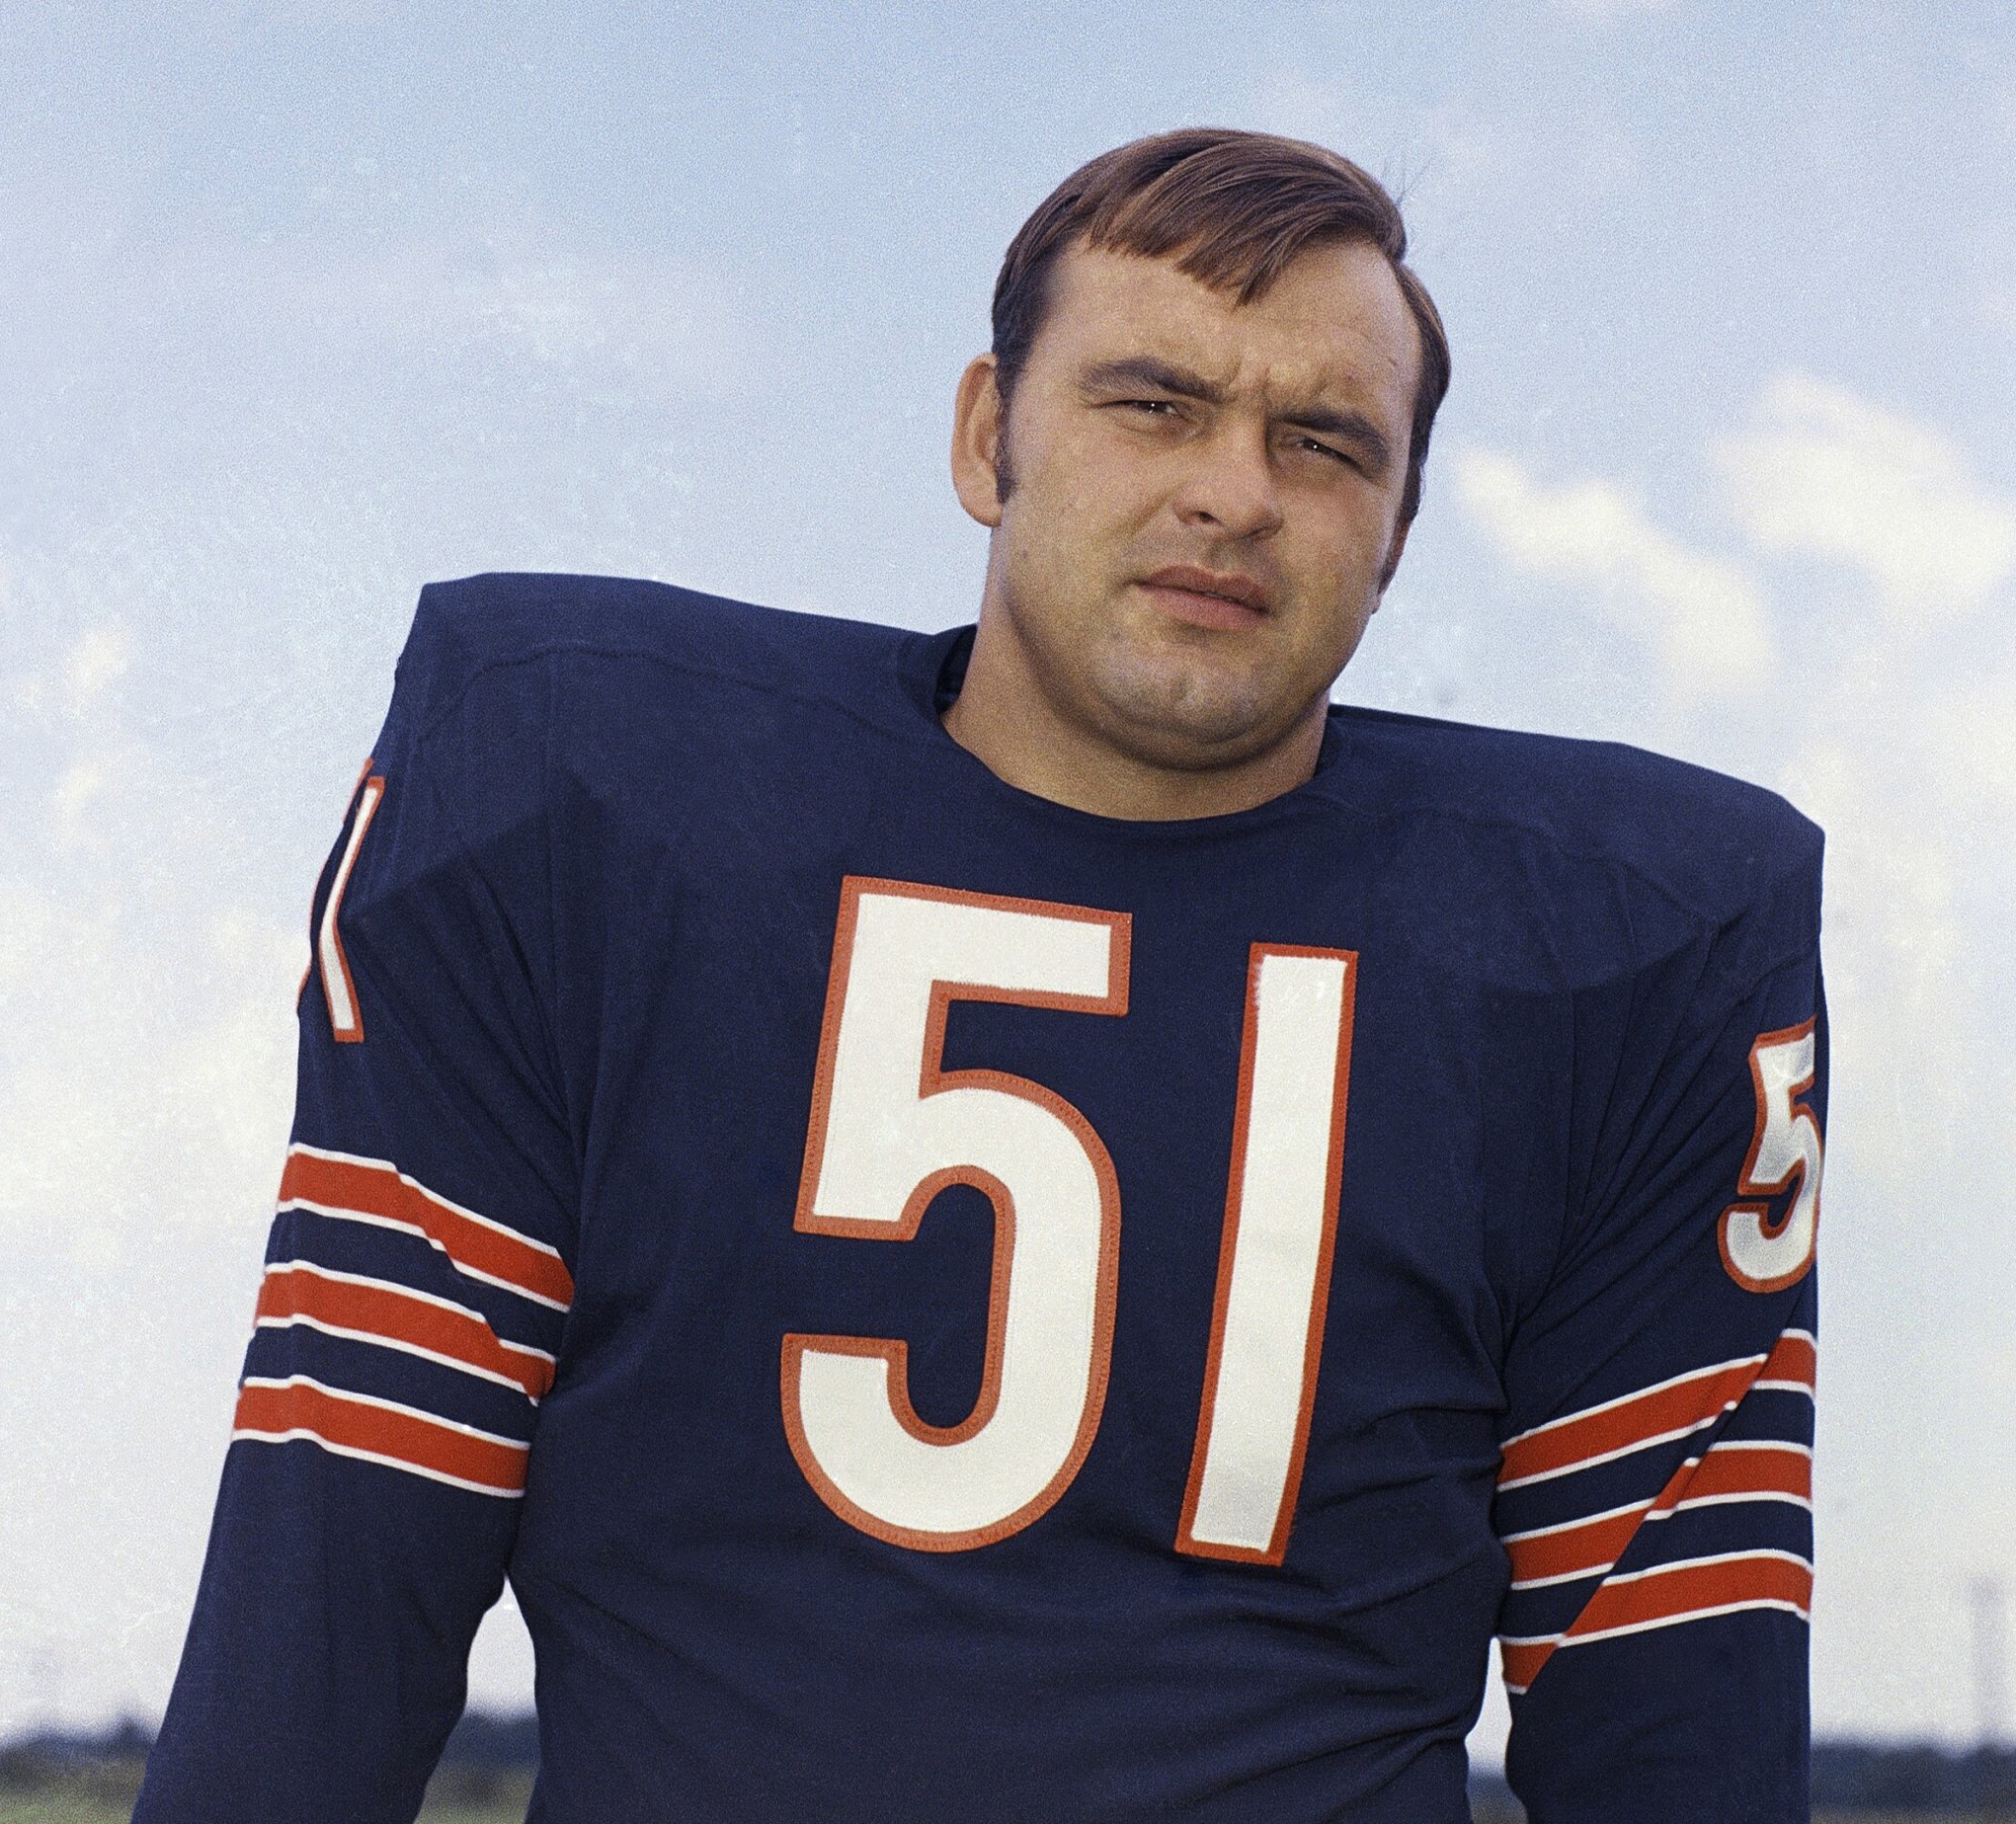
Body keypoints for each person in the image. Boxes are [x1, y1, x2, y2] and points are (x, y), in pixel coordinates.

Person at [134, 127, 1822, 1822]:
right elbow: (341, 1573)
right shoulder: (576, 805)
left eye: (1324, 441)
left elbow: (1673, 1715)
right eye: (1151, 401)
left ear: (1394, 533)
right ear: (983, 436)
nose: (1236, 491)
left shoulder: (1630, 956)